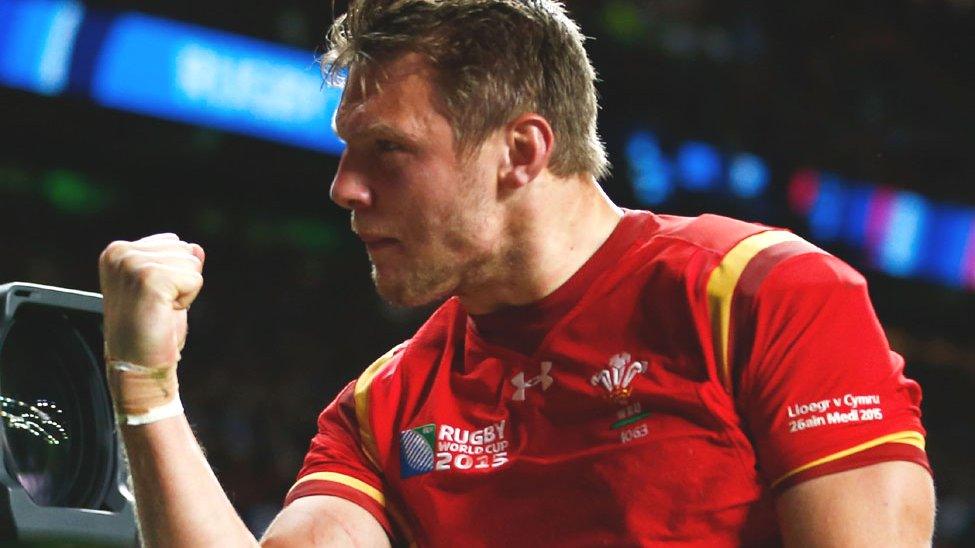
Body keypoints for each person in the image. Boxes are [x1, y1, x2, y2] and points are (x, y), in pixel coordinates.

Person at [98, 1, 934, 546]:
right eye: (347, 149)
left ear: (521, 152)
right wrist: (145, 384)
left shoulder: (762, 295)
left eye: (387, 148)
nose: (343, 187)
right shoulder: (385, 404)